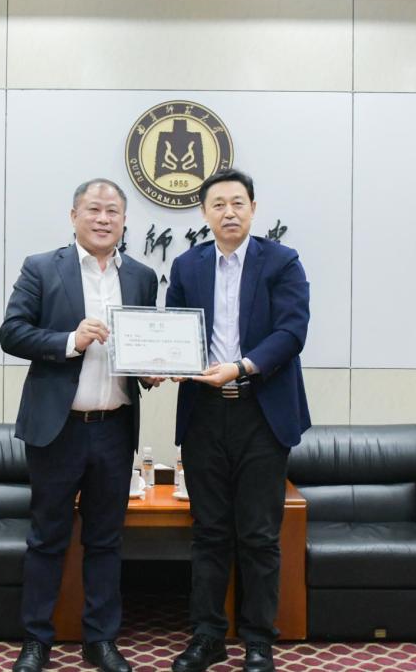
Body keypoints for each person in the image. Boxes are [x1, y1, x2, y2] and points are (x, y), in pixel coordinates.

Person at [0, 179, 159, 672]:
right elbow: (11, 332)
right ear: (74, 216)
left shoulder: (142, 277)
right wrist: (70, 340)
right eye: (93, 209)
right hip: (58, 428)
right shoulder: (42, 267)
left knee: (106, 540)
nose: (103, 219)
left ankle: (101, 640)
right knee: (47, 538)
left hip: (114, 427)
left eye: (113, 211)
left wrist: (151, 369)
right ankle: (36, 641)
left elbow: (144, 343)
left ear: (125, 220)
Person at [166, 169, 310, 672]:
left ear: (253, 208)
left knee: (259, 535)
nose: (229, 212)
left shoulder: (282, 261)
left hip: (261, 412)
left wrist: (242, 366)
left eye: (238, 203)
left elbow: (292, 332)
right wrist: (165, 364)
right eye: (218, 204)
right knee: (208, 532)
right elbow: (174, 330)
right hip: (204, 413)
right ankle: (206, 637)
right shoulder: (187, 265)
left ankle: (258, 641)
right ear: (204, 213)